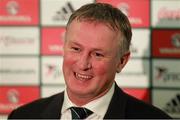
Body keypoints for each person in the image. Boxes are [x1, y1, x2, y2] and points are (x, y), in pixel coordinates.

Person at [8, 3, 171, 119]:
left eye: (98, 54)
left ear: (122, 61)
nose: (83, 64)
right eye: (76, 49)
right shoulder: (23, 116)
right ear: (64, 47)